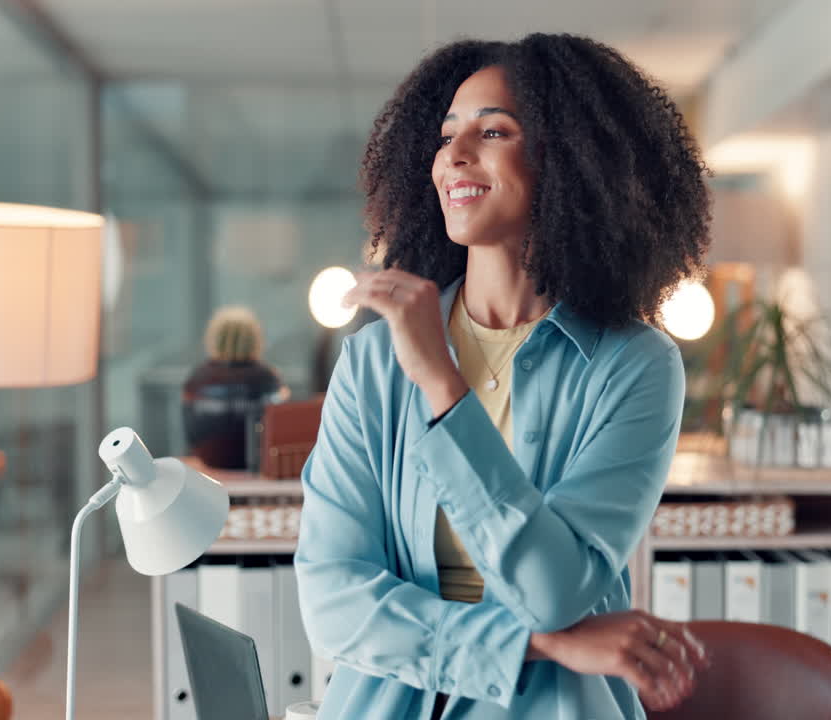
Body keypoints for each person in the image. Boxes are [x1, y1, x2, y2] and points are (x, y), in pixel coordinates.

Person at [294, 33, 712, 720]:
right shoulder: (372, 363)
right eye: (447, 134)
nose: (454, 156)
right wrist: (547, 646)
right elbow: (333, 605)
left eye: (493, 131)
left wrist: (442, 385)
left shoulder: (634, 367)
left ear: (567, 158)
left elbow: (553, 590)